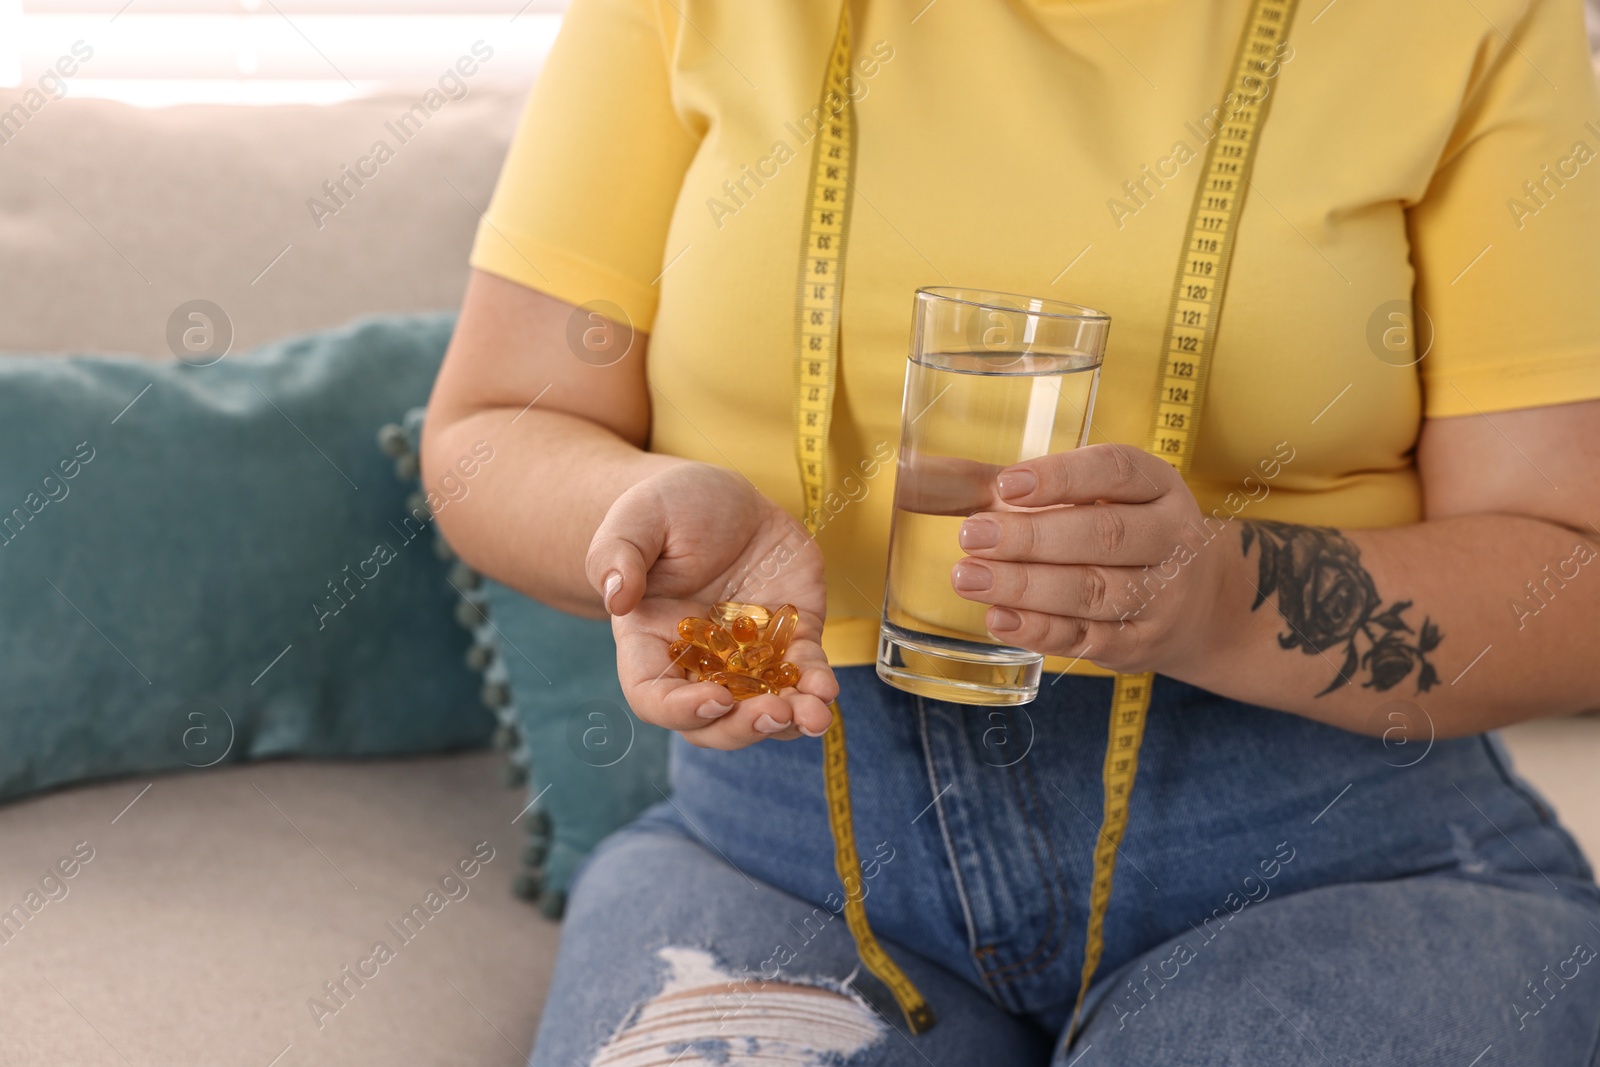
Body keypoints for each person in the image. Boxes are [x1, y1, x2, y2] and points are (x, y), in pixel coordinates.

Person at [423, 0, 1600, 1062]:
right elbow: (494, 429)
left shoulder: (1468, 19)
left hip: (1330, 858)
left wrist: (1219, 592)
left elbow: (1571, 567)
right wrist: (629, 522)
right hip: (788, 848)